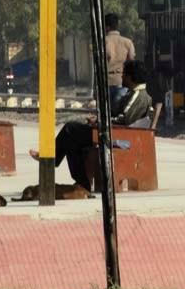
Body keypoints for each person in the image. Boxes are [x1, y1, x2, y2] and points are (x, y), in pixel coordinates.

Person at [30, 60, 152, 191]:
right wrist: (99, 119)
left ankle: (52, 158)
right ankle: (82, 183)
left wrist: (100, 122)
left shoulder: (139, 95)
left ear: (130, 76)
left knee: (70, 128)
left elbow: (125, 120)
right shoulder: (132, 93)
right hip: (113, 132)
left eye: (123, 74)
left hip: (118, 136)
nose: (121, 77)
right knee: (72, 142)